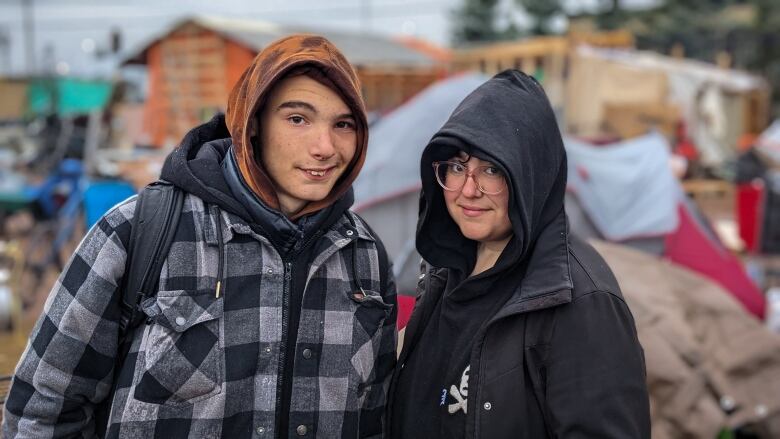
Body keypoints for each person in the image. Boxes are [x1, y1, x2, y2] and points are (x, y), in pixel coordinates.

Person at [2, 35, 396, 438]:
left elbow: (373, 421)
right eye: (297, 119)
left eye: (343, 124)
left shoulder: (363, 257)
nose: (325, 147)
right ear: (253, 123)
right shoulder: (141, 230)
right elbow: (42, 409)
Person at [388, 70, 650, 438]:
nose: (468, 190)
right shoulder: (446, 271)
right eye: (457, 166)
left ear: (531, 173)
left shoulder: (580, 301)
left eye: (492, 169)